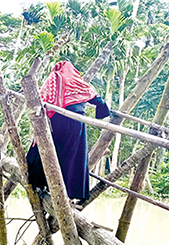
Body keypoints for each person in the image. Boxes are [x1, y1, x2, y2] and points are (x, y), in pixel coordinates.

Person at [26, 61, 110, 202]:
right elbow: (97, 100)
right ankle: (69, 193)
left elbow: (42, 98)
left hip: (56, 121)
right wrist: (101, 112)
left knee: (50, 151)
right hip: (76, 123)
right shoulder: (78, 82)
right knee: (73, 157)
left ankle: (43, 185)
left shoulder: (54, 78)